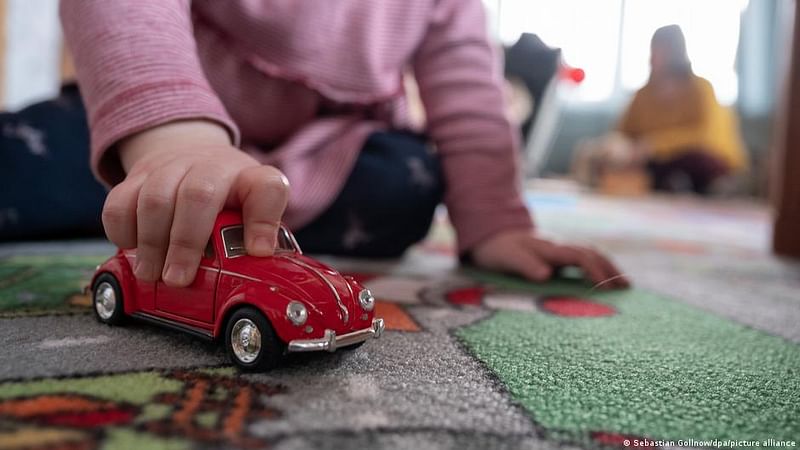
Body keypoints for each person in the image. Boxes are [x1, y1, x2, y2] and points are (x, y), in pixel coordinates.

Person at [35, 0, 626, 290]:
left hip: (330, 148)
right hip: (159, 123)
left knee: (406, 182)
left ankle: (212, 217)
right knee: (41, 155)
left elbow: (468, 85)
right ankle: (164, 200)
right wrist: (173, 138)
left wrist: (496, 222)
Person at [617, 25, 748, 194]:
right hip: (659, 163)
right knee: (646, 165)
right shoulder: (643, 95)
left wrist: (654, 145)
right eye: (655, 49)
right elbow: (623, 133)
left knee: (696, 161)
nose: (657, 55)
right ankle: (675, 183)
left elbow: (702, 134)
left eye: (664, 49)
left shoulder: (701, 88)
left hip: (709, 160)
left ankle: (706, 186)